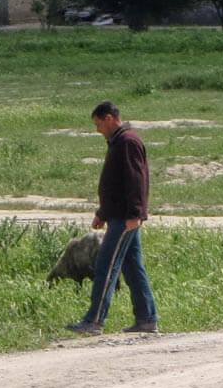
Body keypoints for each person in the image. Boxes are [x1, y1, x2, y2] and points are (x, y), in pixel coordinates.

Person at [66, 101, 158, 335]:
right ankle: (147, 319)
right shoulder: (117, 142)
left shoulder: (127, 142)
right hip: (118, 215)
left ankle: (94, 320)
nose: (98, 129)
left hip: (125, 218)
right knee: (133, 267)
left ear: (109, 118)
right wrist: (102, 213)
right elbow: (115, 185)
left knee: (106, 266)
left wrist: (136, 214)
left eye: (99, 124)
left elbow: (136, 180)